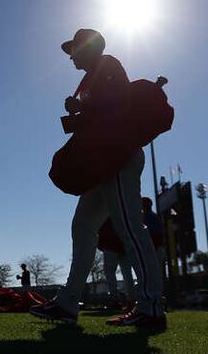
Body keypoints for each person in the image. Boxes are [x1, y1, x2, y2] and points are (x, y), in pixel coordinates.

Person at [30, 29, 166, 328]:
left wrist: (82, 107)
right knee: (83, 226)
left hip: (119, 155)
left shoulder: (108, 64)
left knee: (130, 227)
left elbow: (118, 103)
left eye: (74, 49)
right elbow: (98, 117)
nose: (70, 56)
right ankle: (68, 303)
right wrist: (78, 116)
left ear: (89, 47)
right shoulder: (89, 77)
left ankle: (151, 305)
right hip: (103, 160)